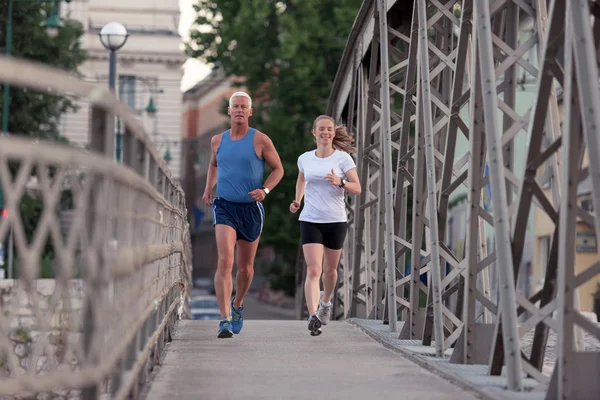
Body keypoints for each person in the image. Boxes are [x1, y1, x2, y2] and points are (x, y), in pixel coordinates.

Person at [202, 91, 284, 339]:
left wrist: (265, 190)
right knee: (225, 261)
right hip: (224, 206)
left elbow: (279, 169)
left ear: (250, 112)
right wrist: (208, 188)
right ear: (229, 111)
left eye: (243, 107)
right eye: (235, 106)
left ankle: (237, 305)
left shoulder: (260, 140)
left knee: (245, 268)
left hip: (250, 208)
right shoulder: (217, 140)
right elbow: (214, 164)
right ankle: (224, 318)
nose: (239, 110)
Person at [289, 115, 361, 336]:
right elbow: (302, 179)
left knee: (330, 271)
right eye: (321, 129)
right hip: (310, 219)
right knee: (314, 270)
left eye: (329, 129)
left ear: (333, 132)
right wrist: (298, 200)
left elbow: (357, 188)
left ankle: (326, 303)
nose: (325, 133)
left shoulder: (343, 159)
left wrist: (340, 182)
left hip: (336, 220)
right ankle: (313, 315)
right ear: (314, 132)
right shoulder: (305, 159)